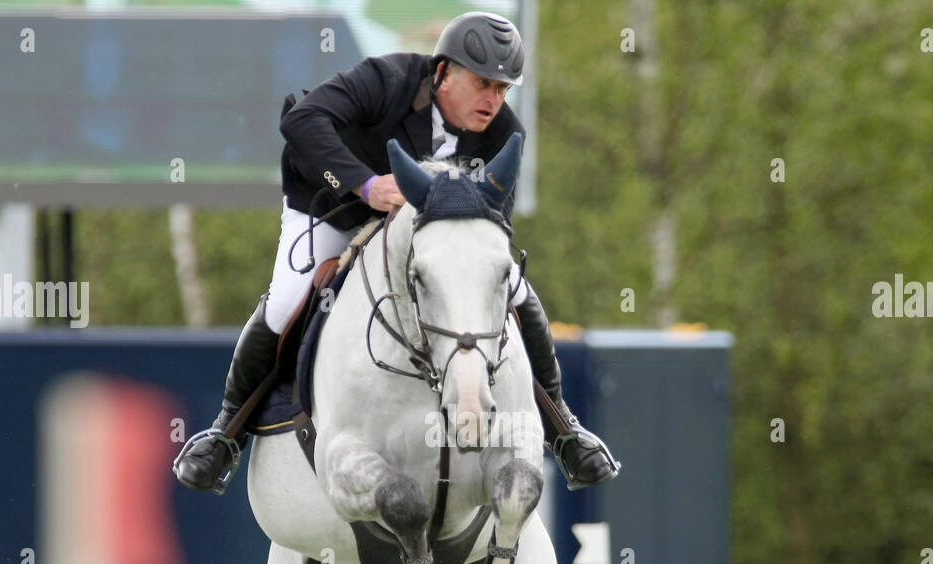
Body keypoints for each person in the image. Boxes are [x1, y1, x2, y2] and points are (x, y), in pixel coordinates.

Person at [174, 11, 620, 493]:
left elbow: (493, 226)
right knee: (287, 299)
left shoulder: (503, 133)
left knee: (515, 287)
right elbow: (302, 121)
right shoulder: (385, 80)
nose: (494, 100)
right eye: (483, 84)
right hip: (334, 208)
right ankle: (225, 434)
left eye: (503, 88)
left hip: (430, 233)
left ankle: (563, 428)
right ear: (444, 72)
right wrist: (364, 186)